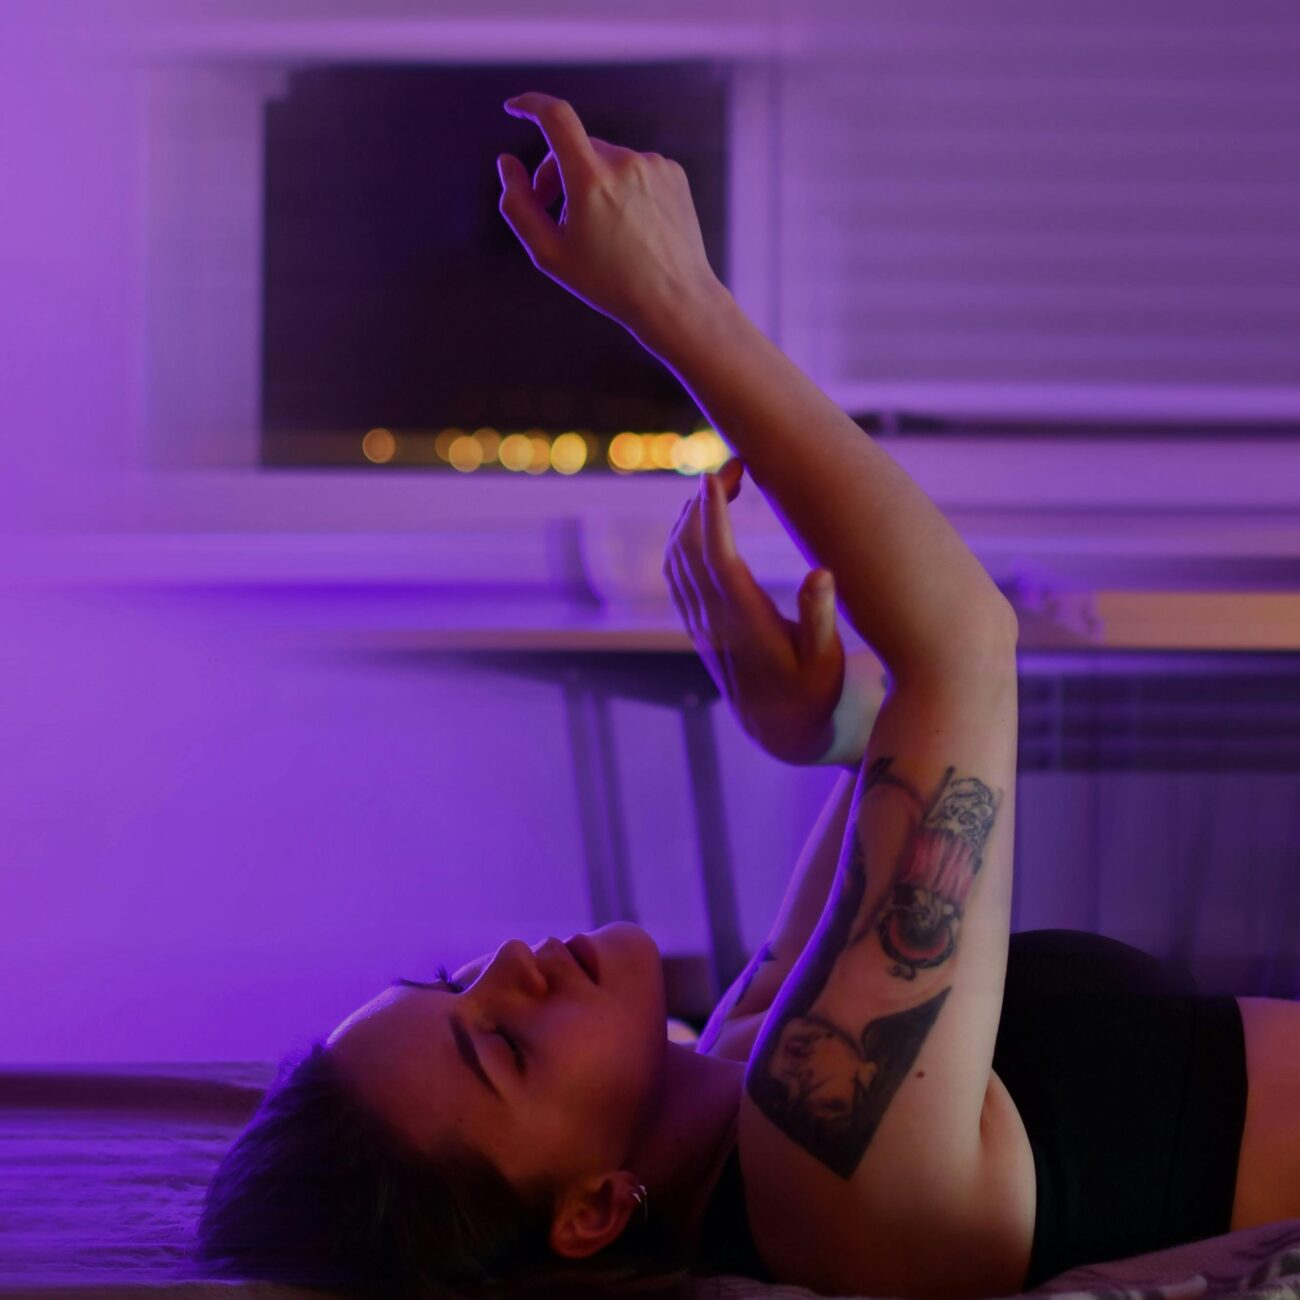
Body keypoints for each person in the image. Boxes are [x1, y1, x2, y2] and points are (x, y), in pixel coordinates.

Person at [191, 93, 1300, 1300]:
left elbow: (911, 776)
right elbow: (963, 650)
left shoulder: (749, 1057)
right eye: (500, 1044)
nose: (509, 962)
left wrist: (824, 732)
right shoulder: (825, 1165)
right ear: (594, 1209)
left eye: (457, 978)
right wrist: (675, 303)